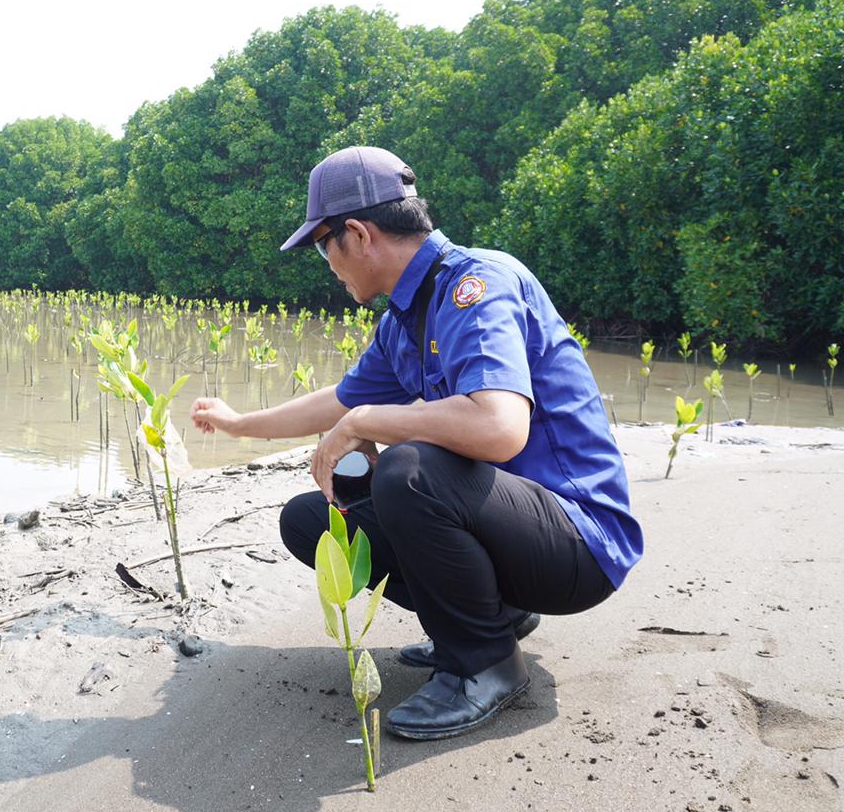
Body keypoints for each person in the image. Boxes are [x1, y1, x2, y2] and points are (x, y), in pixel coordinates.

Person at [190, 146, 642, 740]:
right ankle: (491, 618)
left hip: (579, 545)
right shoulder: (402, 319)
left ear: (357, 233)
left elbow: (500, 427)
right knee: (313, 520)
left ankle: (484, 664)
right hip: (513, 533)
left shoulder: (475, 286)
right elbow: (339, 402)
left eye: (324, 245)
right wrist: (238, 422)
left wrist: (372, 423)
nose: (326, 262)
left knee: (407, 469)